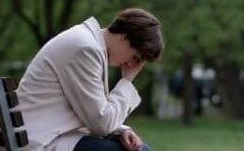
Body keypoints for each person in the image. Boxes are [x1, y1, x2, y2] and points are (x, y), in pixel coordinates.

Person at [17, 8, 163, 151]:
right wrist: (127, 80)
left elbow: (92, 112)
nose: (131, 65)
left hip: (44, 135)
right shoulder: (86, 49)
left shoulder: (87, 42)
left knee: (139, 149)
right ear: (124, 37)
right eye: (135, 57)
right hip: (39, 141)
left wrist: (122, 130)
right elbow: (100, 124)